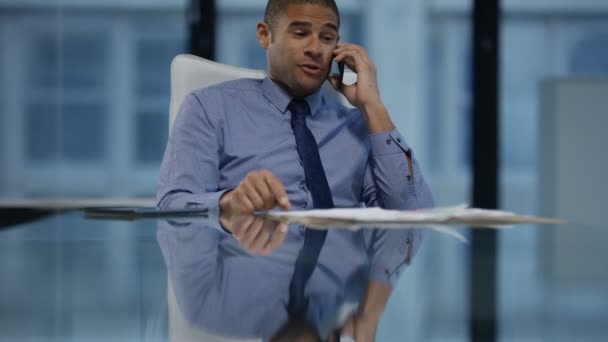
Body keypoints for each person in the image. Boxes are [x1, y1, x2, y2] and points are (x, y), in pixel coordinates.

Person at [157, 0, 434, 339]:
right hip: (248, 253)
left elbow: (414, 215)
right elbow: (172, 204)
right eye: (300, 32)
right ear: (264, 35)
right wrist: (229, 202)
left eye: (327, 37)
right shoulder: (210, 108)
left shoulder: (356, 127)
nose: (315, 49)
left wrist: (372, 105)